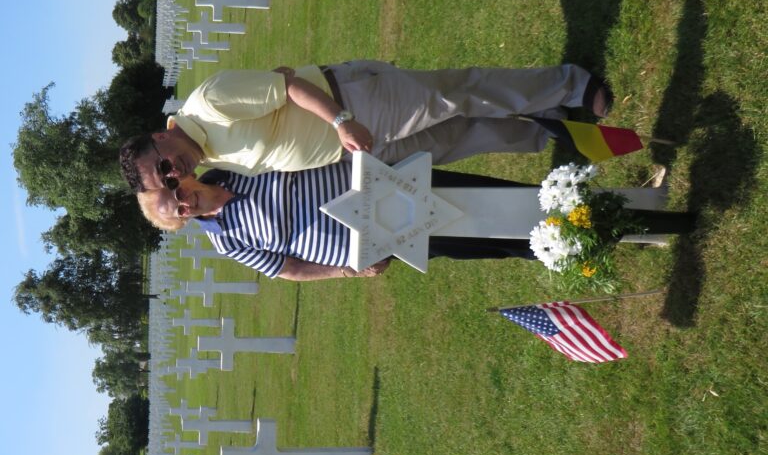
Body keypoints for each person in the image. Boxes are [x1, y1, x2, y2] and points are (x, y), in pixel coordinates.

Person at [137, 165, 694, 283]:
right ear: (182, 224)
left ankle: (615, 207)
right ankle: (594, 241)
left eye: (175, 194)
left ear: (178, 179)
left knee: (494, 195)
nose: (183, 204)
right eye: (176, 214)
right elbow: (285, 268)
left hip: (388, 184)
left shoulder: (233, 166)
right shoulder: (226, 238)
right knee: (494, 242)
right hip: (384, 237)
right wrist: (347, 273)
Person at [120, 62, 612, 192]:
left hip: (354, 107)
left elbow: (287, 86)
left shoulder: (207, 104)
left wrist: (340, 121)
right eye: (165, 180)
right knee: (463, 138)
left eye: (161, 165)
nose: (172, 173)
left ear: (160, 135)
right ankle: (556, 131)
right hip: (358, 148)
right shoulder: (209, 159)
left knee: (459, 94)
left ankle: (572, 86)